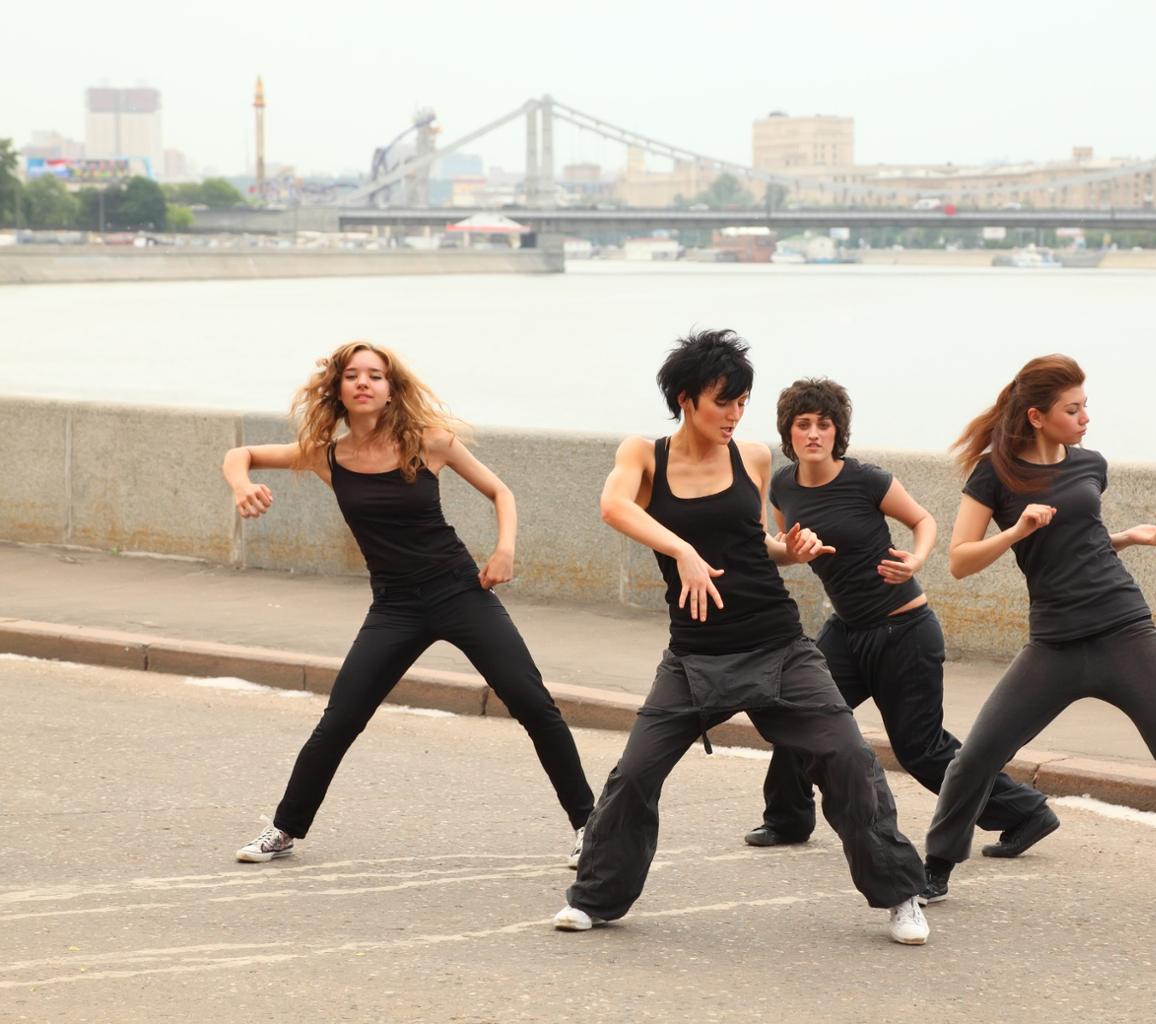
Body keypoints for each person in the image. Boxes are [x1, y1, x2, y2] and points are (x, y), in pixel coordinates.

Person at [553, 330, 931, 945]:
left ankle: (899, 894)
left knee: (850, 759)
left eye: (741, 401)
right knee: (634, 776)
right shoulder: (644, 455)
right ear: (685, 399)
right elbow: (612, 507)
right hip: (694, 656)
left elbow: (758, 546)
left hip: (777, 645)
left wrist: (793, 549)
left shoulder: (752, 457)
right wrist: (683, 552)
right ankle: (595, 898)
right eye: (722, 401)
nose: (733, 415)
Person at [922, 354, 1156, 918]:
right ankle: (937, 868)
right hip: (1054, 645)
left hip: (1125, 630)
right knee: (977, 757)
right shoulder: (995, 474)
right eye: (1074, 408)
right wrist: (1016, 530)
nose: (1086, 416)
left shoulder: (1091, 464)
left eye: (1085, 404)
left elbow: (1077, 544)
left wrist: (1129, 538)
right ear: (1038, 416)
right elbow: (960, 561)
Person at [222, 341, 593, 867]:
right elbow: (241, 455)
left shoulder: (428, 443)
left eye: (375, 375)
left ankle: (590, 825)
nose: (364, 383)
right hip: (394, 607)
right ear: (339, 389)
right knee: (340, 719)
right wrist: (241, 484)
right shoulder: (326, 455)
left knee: (534, 704)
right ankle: (284, 828)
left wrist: (504, 549)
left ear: (391, 388)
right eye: (352, 375)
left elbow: (501, 492)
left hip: (460, 592)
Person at [742, 377, 1059, 862]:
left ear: (837, 431)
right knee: (798, 716)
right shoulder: (784, 486)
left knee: (921, 749)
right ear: (788, 431)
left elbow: (924, 521)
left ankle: (1025, 810)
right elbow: (788, 552)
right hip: (847, 631)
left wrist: (915, 559)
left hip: (903, 631)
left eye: (823, 424)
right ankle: (787, 817)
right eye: (802, 424)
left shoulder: (866, 479)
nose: (813, 433)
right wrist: (789, 550)